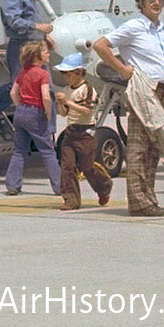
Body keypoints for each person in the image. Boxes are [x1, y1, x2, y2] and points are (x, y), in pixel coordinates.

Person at [93, 0, 164, 217]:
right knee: (139, 146)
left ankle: (149, 198)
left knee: (154, 148)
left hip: (162, 90)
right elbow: (101, 45)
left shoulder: (160, 28)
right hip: (143, 90)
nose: (156, 3)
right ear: (141, 3)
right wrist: (121, 69)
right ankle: (139, 202)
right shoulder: (134, 26)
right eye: (151, 0)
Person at [54, 52, 112, 211]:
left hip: (85, 132)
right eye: (63, 74)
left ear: (78, 72)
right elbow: (65, 113)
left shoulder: (87, 88)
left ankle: (104, 187)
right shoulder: (67, 89)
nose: (66, 77)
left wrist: (68, 103)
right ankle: (70, 199)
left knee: (87, 167)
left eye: (68, 74)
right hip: (71, 131)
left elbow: (87, 111)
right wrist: (61, 104)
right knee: (67, 166)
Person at [4, 42, 61, 196]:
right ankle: (60, 186)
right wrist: (48, 113)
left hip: (21, 111)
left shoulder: (23, 72)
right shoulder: (43, 74)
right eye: (45, 51)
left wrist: (20, 107)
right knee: (47, 151)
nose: (48, 54)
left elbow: (13, 93)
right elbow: (46, 97)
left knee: (19, 151)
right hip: (36, 112)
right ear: (37, 56)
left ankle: (13, 185)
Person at [0, 0, 54, 82]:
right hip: (22, 47)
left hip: (35, 47)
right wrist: (36, 27)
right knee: (22, 84)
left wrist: (44, 37)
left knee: (43, 84)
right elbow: (13, 21)